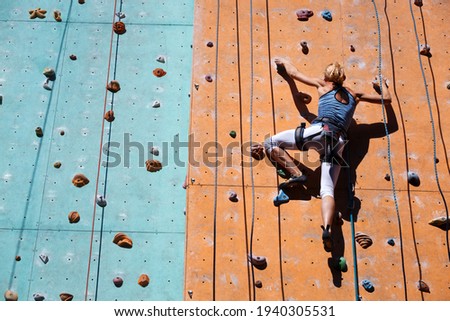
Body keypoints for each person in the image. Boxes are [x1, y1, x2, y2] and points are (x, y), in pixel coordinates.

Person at [265, 58, 392, 252]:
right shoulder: (355, 94)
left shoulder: (322, 85)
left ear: (326, 76)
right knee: (327, 190)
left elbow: (295, 73)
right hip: (338, 141)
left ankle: (296, 174)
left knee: (271, 143)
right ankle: (327, 227)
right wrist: (382, 86)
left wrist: (283, 64)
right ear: (343, 78)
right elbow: (387, 101)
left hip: (319, 131)